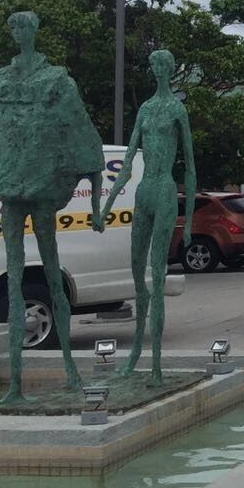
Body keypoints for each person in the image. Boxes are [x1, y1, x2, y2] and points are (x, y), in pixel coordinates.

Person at [0, 11, 105, 404]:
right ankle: (16, 385)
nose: (19, 33)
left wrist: (94, 201)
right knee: (15, 282)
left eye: (24, 26)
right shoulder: (0, 81)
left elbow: (79, 132)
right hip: (9, 193)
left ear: (35, 31)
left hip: (41, 190)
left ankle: (70, 367)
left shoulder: (56, 79)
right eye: (14, 27)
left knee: (53, 276)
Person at [99, 49, 194, 386]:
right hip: (144, 192)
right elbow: (126, 162)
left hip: (166, 191)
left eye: (160, 65)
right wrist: (106, 206)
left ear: (169, 68)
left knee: (156, 275)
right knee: (137, 277)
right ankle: (135, 355)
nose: (155, 70)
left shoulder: (176, 110)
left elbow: (191, 168)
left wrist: (191, 221)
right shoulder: (146, 109)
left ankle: (155, 365)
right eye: (152, 65)